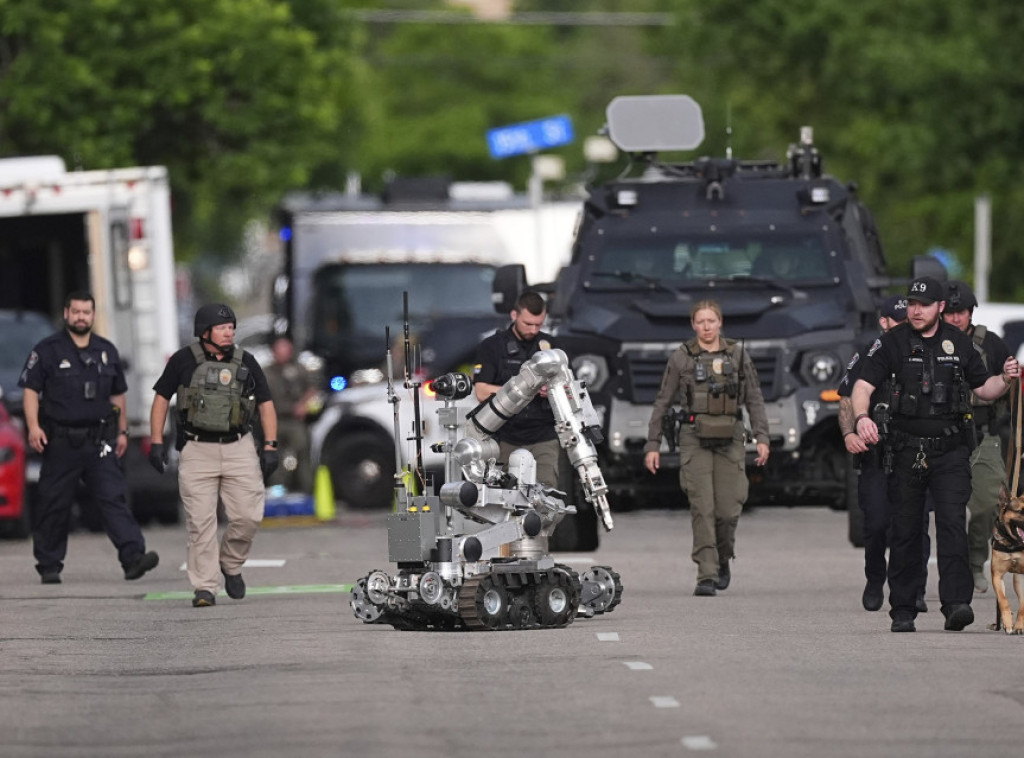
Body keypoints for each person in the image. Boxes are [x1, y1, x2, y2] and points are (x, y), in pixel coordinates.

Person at [852, 276, 1020, 633]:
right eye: (912, 304)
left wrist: (1005, 379)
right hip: (905, 449)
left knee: (951, 525)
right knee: (906, 530)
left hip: (951, 450)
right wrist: (862, 417)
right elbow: (862, 386)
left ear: (940, 307)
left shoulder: (959, 343)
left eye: (923, 305)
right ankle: (902, 608)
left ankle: (956, 603)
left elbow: (985, 388)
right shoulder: (891, 342)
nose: (915, 310)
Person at [18, 290, 159, 584]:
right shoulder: (47, 350)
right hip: (61, 441)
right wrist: (33, 426)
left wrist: (122, 431)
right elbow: (31, 390)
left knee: (113, 498)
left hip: (99, 441)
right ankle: (49, 565)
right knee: (54, 503)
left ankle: (133, 557)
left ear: (94, 315)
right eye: (76, 312)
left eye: (87, 312)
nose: (81, 317)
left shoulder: (106, 350)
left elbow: (117, 393)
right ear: (67, 314)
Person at [148, 304, 279, 608]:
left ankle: (231, 564)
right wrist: (156, 442)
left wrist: (271, 445)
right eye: (222, 327)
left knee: (248, 516)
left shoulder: (246, 360)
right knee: (200, 522)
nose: (229, 332)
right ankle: (205, 587)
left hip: (239, 447)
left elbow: (266, 403)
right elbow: (161, 399)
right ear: (204, 332)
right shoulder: (183, 360)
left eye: (232, 327)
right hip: (196, 450)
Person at [643, 299, 770, 596]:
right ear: (693, 325)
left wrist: (762, 437)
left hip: (731, 434)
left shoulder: (737, 355)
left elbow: (754, 398)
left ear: (720, 322)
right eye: (700, 322)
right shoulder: (682, 357)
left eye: (711, 321)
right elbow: (663, 401)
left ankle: (723, 558)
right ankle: (706, 574)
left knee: (728, 510)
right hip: (693, 435)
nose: (706, 327)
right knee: (702, 506)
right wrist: (653, 444)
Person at [838, 295, 930, 613]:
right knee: (877, 524)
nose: (907, 326)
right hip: (876, 452)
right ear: (884, 323)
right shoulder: (870, 353)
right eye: (900, 321)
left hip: (916, 450)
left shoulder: (926, 351)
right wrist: (849, 433)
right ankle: (875, 580)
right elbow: (848, 398)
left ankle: (915, 589)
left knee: (915, 523)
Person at [941, 280, 1012, 593]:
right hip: (941, 436)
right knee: (944, 512)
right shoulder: (928, 342)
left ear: (971, 312)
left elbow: (1009, 384)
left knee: (988, 506)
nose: (956, 318)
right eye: (951, 312)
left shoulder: (991, 343)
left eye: (962, 312)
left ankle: (974, 563)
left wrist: (1011, 376)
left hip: (983, 436)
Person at [473, 291, 560, 489]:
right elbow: (481, 391)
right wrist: (525, 388)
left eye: (539, 324)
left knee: (548, 496)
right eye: (528, 324)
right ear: (514, 315)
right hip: (506, 437)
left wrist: (552, 390)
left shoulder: (552, 347)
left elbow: (567, 387)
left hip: (543, 435)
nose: (533, 329)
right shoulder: (492, 347)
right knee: (506, 497)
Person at [263, 336, 319, 493]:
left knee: (301, 449)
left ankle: (307, 489)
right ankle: (277, 490)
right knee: (276, 456)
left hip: (295, 420)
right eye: (280, 349)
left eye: (287, 348)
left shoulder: (299, 369)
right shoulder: (266, 373)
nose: (284, 352)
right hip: (274, 420)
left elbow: (312, 389)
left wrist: (304, 405)